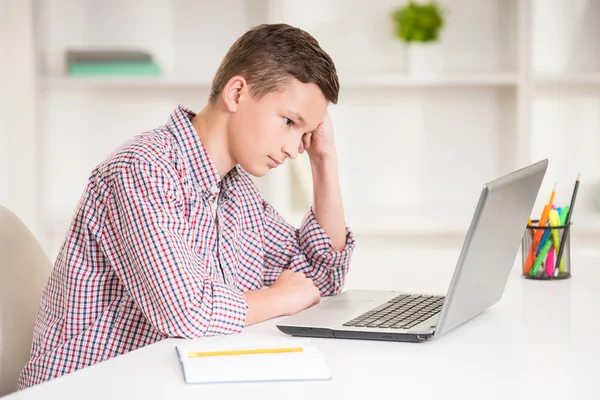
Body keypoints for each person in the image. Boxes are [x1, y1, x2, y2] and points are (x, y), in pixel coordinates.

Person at [19, 23, 355, 389]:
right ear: (237, 93)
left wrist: (324, 160)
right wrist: (279, 297)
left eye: (305, 134)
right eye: (289, 122)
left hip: (171, 383)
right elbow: (186, 312)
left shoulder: (235, 191)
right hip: (88, 389)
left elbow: (320, 276)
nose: (294, 148)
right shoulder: (142, 172)